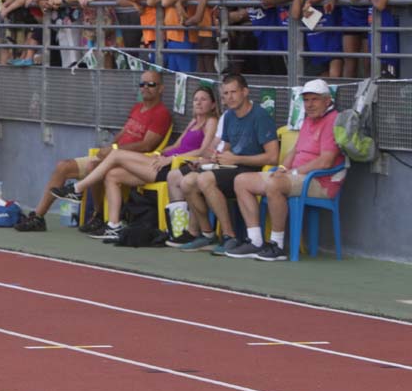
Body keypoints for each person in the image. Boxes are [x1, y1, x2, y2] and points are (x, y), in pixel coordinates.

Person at [55, 85, 219, 241]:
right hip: (160, 161)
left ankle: (78, 188)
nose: (198, 102)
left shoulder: (211, 122)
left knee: (117, 154)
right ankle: (113, 225)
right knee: (112, 175)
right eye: (196, 99)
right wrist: (160, 153)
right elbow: (176, 145)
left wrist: (171, 159)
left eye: (203, 99)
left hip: (173, 167)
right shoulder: (193, 122)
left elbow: (203, 151)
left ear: (212, 105)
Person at [18, 69, 171, 232]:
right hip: (112, 155)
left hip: (130, 161)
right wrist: (109, 148)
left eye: (151, 84)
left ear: (161, 88)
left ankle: (98, 215)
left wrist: (114, 150)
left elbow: (147, 145)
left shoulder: (161, 114)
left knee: (92, 167)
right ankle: (38, 217)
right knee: (63, 166)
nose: (145, 87)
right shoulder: (137, 108)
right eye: (142, 84)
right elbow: (123, 133)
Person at [226, 79, 344, 261]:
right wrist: (283, 168)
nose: (309, 105)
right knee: (241, 181)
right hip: (296, 176)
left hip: (321, 182)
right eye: (306, 100)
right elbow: (295, 150)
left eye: (315, 100)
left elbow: (326, 162)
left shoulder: (333, 121)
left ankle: (277, 245)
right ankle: (255, 241)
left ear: (327, 101)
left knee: (274, 184)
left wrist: (294, 173)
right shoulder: (308, 120)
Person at [166, 74, 279, 255]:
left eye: (233, 92)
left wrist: (236, 159)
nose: (230, 97)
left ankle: (229, 235)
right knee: (186, 181)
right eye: (225, 94)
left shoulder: (260, 115)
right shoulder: (229, 116)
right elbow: (223, 148)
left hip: (249, 170)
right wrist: (207, 160)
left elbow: (273, 157)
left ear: (245, 92)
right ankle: (207, 234)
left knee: (204, 180)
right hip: (229, 167)